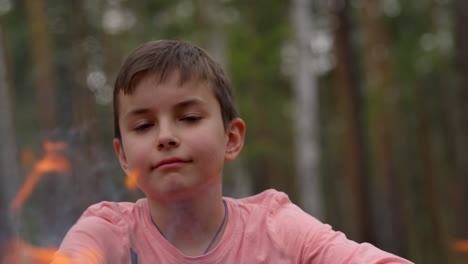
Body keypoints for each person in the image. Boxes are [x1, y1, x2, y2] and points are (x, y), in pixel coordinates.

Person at [53, 40, 413, 264]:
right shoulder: (107, 234)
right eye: (143, 126)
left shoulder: (277, 229)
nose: (165, 136)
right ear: (123, 156)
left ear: (232, 138)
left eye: (189, 117)